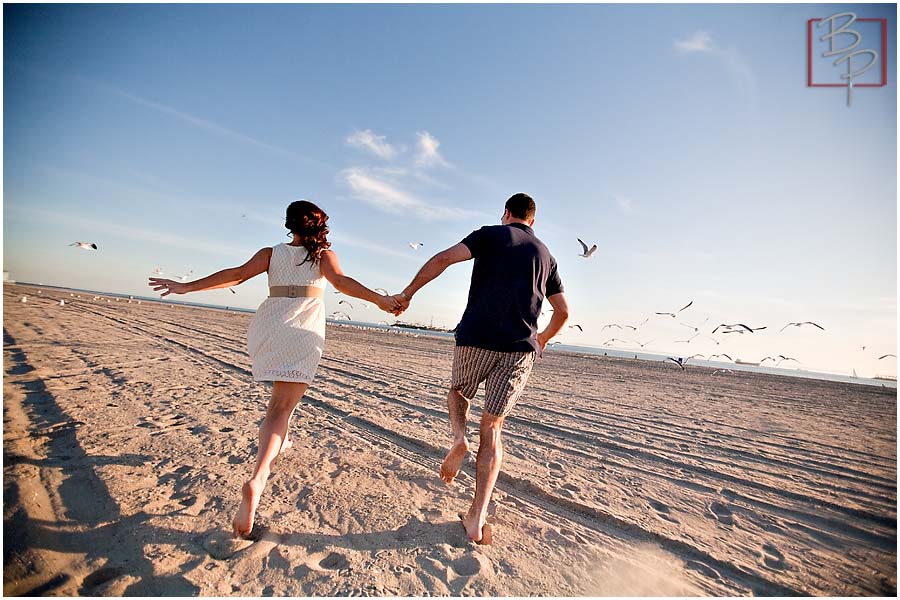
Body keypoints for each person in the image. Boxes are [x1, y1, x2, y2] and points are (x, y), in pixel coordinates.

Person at [148, 200, 402, 538]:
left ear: (289, 225)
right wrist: (380, 300)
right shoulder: (323, 255)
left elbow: (235, 275)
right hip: (301, 329)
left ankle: (277, 446)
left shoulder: (271, 253)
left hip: (269, 325)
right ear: (321, 226)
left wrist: (186, 287)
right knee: (283, 407)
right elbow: (342, 283)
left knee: (276, 406)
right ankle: (259, 477)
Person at [392, 193, 569, 544]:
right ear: (532, 220)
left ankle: (459, 439)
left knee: (459, 392)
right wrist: (543, 339)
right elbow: (563, 312)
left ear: (506, 214)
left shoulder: (489, 234)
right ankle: (477, 518)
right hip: (519, 348)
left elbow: (443, 258)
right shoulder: (546, 255)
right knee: (493, 428)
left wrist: (409, 292)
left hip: (476, 338)